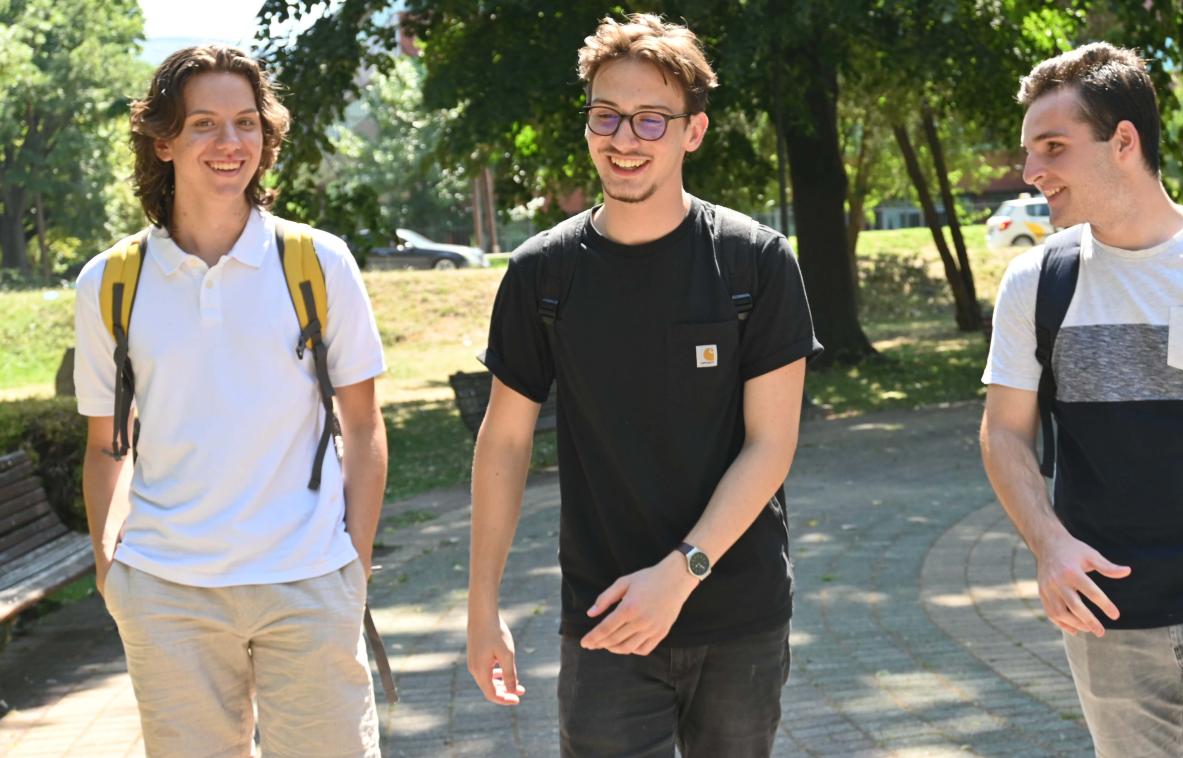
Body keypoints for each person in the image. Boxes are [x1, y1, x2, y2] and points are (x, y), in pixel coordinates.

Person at [465, 13, 821, 757]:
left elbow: (771, 445)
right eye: (607, 115)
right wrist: (482, 605)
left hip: (739, 615)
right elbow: (504, 442)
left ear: (694, 132)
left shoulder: (755, 262)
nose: (624, 139)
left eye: (651, 119)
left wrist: (680, 574)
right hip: (605, 618)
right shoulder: (542, 274)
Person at [981, 42, 1183, 756]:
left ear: (1123, 141)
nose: (1032, 172)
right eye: (1030, 152)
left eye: (1054, 147)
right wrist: (1049, 546)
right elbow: (1003, 433)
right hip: (1104, 616)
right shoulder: (1037, 284)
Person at [74, 45, 387, 757]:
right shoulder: (110, 282)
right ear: (164, 141)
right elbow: (105, 445)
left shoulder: (318, 263)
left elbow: (363, 425)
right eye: (205, 124)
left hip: (309, 580)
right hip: (167, 594)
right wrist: (112, 572)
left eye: (246, 122)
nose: (231, 142)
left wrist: (353, 564)